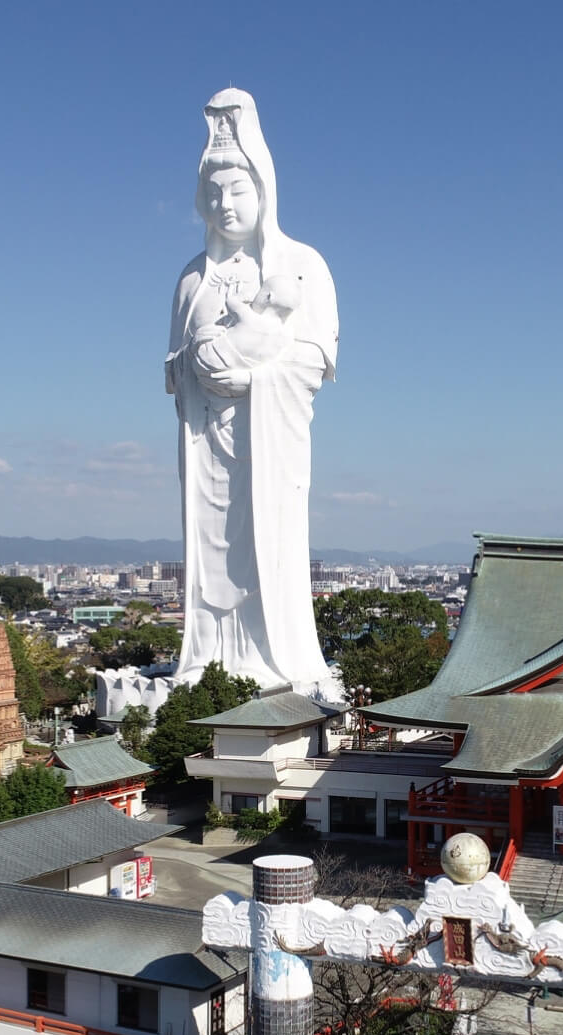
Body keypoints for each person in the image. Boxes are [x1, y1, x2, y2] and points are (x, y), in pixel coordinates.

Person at [165, 89, 337, 687]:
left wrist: (253, 378)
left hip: (268, 441)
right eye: (212, 192)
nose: (224, 202)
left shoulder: (301, 265)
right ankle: (208, 660)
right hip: (206, 443)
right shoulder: (193, 278)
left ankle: (274, 660)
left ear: (264, 191)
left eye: (238, 189)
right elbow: (173, 368)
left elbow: (314, 359)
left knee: (268, 550)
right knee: (210, 553)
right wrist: (199, 365)